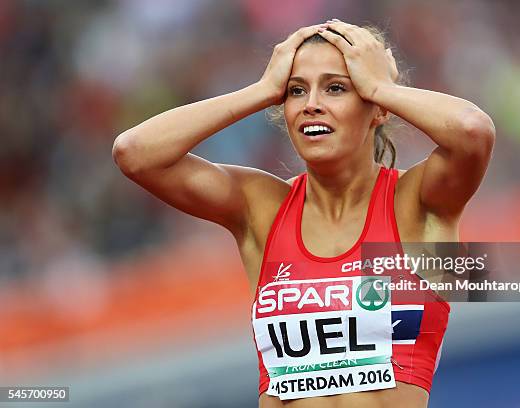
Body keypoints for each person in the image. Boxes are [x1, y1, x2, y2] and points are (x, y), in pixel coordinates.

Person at [112, 19, 494, 408]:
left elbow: (472, 130)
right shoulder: (262, 209)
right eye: (296, 90)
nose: (312, 104)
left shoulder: (417, 204)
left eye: (336, 87)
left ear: (376, 109)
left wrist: (382, 88)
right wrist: (260, 91)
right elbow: (135, 153)